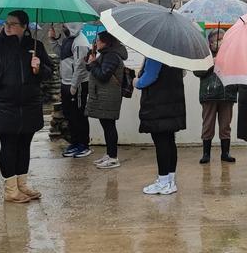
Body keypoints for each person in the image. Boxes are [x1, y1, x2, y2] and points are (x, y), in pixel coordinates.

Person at [0, 10, 53, 204]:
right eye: (7, 23)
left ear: (24, 26)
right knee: (9, 145)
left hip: (29, 104)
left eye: (13, 24)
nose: (8, 27)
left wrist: (38, 68)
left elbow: (49, 71)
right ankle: (11, 190)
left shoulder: (36, 46)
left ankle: (22, 184)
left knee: (24, 145)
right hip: (3, 105)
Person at [136, 56, 187, 194]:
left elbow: (150, 76)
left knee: (161, 142)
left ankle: (163, 182)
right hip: (172, 104)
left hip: (158, 105)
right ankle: (170, 180)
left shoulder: (156, 54)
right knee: (169, 141)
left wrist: (137, 82)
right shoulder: (175, 54)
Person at [86, 31, 129, 171]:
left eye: (98, 40)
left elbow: (103, 75)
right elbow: (92, 68)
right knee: (106, 125)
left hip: (109, 97)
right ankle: (109, 154)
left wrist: (93, 64)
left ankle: (113, 158)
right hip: (104, 96)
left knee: (109, 126)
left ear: (105, 42)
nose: (96, 42)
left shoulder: (111, 56)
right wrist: (91, 58)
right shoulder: (105, 54)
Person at [195, 29, 238, 164]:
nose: (220, 42)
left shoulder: (231, 54)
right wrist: (211, 63)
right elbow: (197, 72)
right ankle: (206, 154)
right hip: (209, 95)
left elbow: (238, 71)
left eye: (222, 39)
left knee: (225, 126)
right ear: (210, 42)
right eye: (217, 40)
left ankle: (225, 153)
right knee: (208, 125)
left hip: (227, 94)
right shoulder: (204, 55)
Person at [57, 23, 92, 159]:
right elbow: (61, 55)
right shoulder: (69, 39)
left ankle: (83, 145)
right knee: (69, 115)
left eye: (64, 25)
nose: (62, 27)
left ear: (71, 25)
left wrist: (74, 85)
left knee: (79, 115)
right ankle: (75, 142)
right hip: (66, 82)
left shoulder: (80, 42)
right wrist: (53, 40)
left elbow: (80, 66)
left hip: (78, 84)